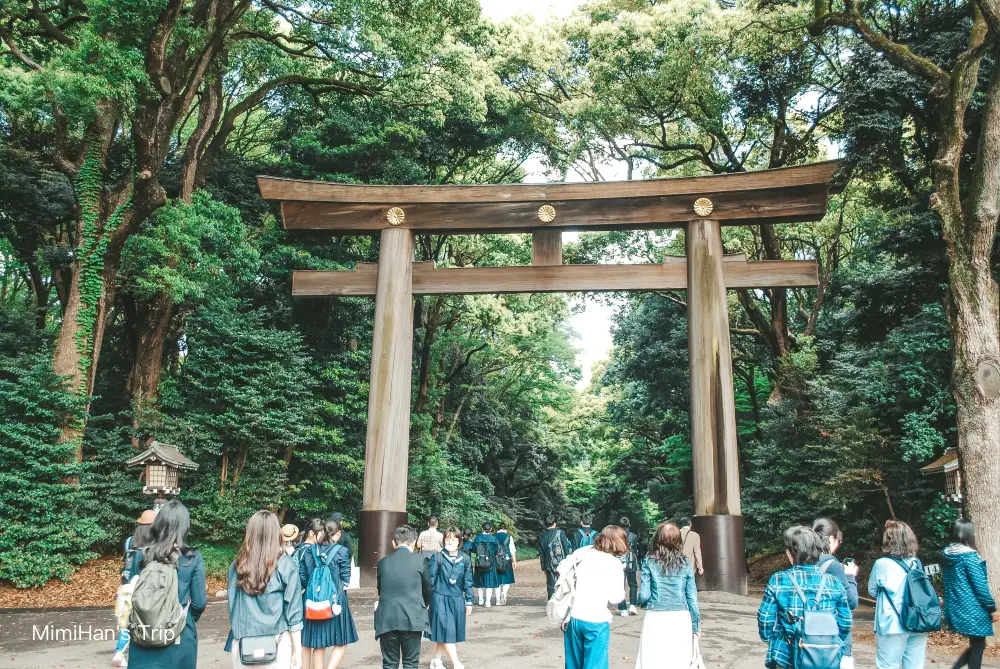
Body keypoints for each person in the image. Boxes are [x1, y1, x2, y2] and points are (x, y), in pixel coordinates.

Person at [127, 500, 207, 669]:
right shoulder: (192, 558)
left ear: (159, 523)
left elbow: (130, 595)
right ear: (185, 526)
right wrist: (183, 619)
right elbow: (199, 603)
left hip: (144, 631)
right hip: (179, 635)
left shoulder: (141, 555)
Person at [757, 525, 851, 669]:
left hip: (786, 654)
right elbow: (845, 621)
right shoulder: (834, 583)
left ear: (791, 553)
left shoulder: (779, 580)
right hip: (825, 658)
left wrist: (769, 639)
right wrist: (828, 642)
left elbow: (765, 617)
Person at [227, 511, 304, 669]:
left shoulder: (236, 566)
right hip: (278, 643)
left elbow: (232, 607)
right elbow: (294, 612)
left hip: (243, 644)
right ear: (276, 533)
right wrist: (298, 650)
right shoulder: (285, 565)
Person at [634, 522, 700, 669]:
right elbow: (692, 598)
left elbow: (644, 595)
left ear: (657, 539)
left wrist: (643, 604)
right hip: (680, 616)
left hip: (655, 614)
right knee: (678, 660)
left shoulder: (649, 561)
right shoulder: (685, 562)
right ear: (678, 541)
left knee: (652, 660)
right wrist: (695, 625)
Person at [562, 525, 628, 669]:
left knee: (573, 665)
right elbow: (615, 598)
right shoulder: (614, 563)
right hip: (595, 620)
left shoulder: (581, 552)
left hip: (572, 617)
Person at [868, 520, 928, 669]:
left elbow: (872, 591)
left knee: (888, 665)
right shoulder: (916, 563)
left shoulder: (882, 564)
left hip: (892, 623)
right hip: (918, 622)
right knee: (914, 666)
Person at [298, 518, 358, 669]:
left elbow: (304, 577)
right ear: (337, 534)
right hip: (336, 600)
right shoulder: (341, 551)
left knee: (318, 643)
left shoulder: (311, 550)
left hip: (313, 600)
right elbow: (346, 578)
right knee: (341, 641)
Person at [942, 519, 998, 669]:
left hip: (955, 608)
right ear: (969, 534)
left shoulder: (947, 555)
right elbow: (980, 588)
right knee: (978, 646)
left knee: (977, 645)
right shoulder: (970, 558)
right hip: (974, 610)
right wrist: (992, 608)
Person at [375, 525, 433, 669]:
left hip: (387, 618)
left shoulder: (383, 563)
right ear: (413, 543)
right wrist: (424, 604)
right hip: (412, 617)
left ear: (394, 543)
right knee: (411, 663)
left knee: (389, 663)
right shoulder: (420, 561)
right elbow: (428, 589)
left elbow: (381, 589)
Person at [112, 510, 156, 668]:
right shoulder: (154, 544)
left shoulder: (129, 541)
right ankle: (137, 651)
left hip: (127, 585)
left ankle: (120, 651)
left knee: (127, 620)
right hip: (144, 586)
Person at [813, 518, 860, 669]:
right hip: (833, 638)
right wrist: (851, 576)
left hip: (809, 632)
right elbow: (851, 602)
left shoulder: (806, 560)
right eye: (838, 540)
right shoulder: (833, 565)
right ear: (831, 539)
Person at [426, 527, 474, 669]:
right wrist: (427, 599)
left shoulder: (464, 558)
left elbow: (468, 581)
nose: (450, 542)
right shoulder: (438, 557)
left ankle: (435, 660)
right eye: (447, 539)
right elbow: (431, 580)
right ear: (444, 540)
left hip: (457, 600)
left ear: (459, 541)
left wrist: (469, 600)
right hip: (440, 598)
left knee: (444, 631)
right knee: (447, 631)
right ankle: (456, 663)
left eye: (453, 539)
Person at [538, 515, 572, 599]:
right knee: (562, 583)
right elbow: (565, 548)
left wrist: (543, 567)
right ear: (554, 524)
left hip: (548, 564)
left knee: (550, 584)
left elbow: (541, 554)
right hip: (561, 562)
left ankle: (551, 601)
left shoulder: (542, 537)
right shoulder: (561, 533)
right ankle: (561, 601)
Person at [470, 521, 500, 607]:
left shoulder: (478, 538)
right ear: (490, 529)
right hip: (490, 562)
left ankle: (480, 600)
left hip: (479, 562)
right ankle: (488, 602)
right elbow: (497, 550)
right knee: (489, 583)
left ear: (482, 528)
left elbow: (473, 550)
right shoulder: (493, 538)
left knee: (480, 583)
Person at [617, 517, 639, 617]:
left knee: (620, 586)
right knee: (633, 584)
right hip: (631, 561)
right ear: (629, 525)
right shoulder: (633, 536)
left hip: (619, 562)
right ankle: (633, 605)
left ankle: (623, 609)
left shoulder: (616, 536)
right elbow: (634, 549)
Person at [495, 523, 517, 605]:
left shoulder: (494, 537)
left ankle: (497, 600)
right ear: (505, 529)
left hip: (496, 560)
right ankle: (503, 593)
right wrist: (514, 561)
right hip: (507, 559)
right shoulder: (508, 537)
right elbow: (512, 550)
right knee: (507, 580)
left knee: (497, 581)